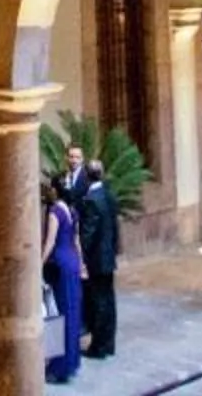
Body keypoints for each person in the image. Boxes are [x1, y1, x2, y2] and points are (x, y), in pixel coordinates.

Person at [59, 146, 120, 359]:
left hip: (97, 260)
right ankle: (109, 342)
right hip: (108, 257)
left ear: (87, 174)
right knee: (109, 301)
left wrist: (81, 256)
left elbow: (88, 235)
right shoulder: (108, 194)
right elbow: (115, 227)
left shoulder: (92, 201)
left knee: (99, 302)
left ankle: (99, 347)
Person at [41, 188, 84, 385]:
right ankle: (72, 361)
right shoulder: (72, 211)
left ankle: (59, 366)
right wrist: (81, 263)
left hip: (59, 264)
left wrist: (40, 263)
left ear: (56, 191)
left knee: (57, 314)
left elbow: (50, 241)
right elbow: (76, 241)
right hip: (72, 262)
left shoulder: (55, 212)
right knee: (72, 311)